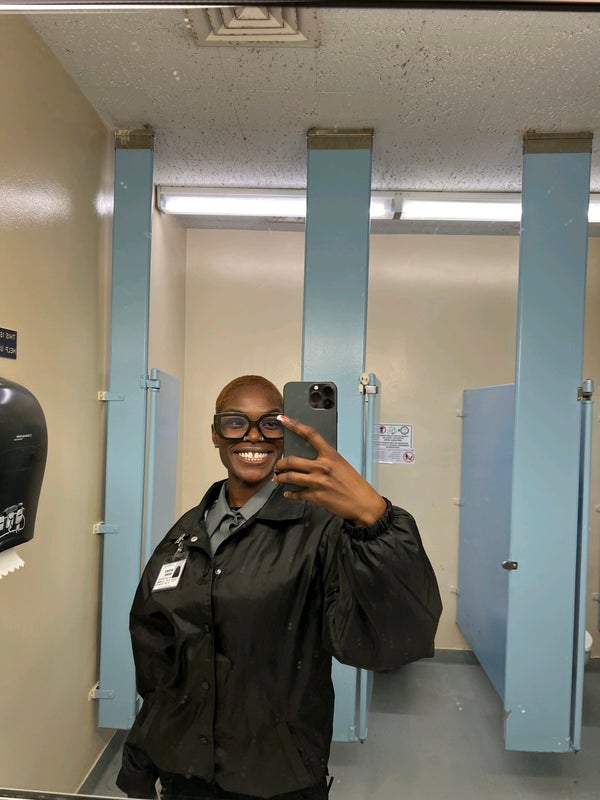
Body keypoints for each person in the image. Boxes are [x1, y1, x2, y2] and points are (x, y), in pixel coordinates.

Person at [116, 375, 442, 800]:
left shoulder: (322, 530)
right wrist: (141, 762)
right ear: (215, 434)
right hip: (185, 773)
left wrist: (374, 520)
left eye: (271, 423)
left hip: (278, 777)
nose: (253, 436)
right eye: (236, 422)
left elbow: (392, 641)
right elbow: (158, 665)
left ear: (287, 435)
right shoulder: (186, 533)